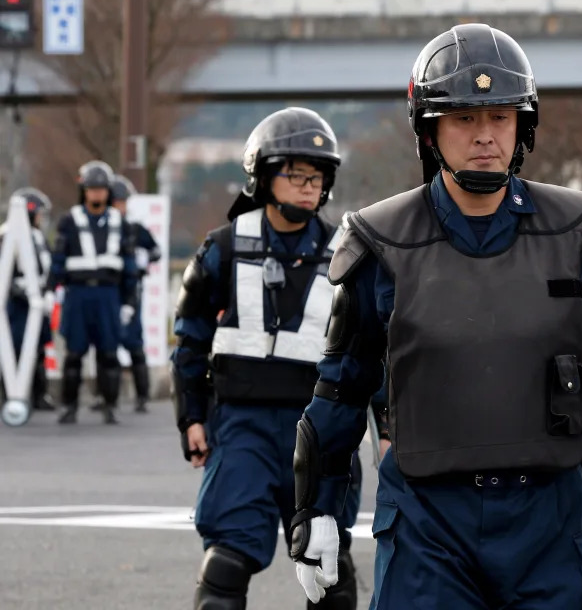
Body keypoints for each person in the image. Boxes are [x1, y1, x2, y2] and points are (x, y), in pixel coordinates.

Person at [289, 23, 582, 609]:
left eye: (499, 116)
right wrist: (316, 510)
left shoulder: (576, 235)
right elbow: (340, 393)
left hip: (547, 519)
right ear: (430, 129)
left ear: (523, 125)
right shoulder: (382, 244)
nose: (485, 135)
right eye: (464, 118)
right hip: (425, 525)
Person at [170, 107, 359, 610]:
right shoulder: (223, 248)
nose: (308, 186)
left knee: (329, 568)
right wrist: (190, 414)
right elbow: (189, 339)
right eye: (295, 174)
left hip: (321, 426)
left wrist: (386, 421)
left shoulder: (348, 252)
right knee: (226, 562)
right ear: (263, 175)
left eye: (317, 177)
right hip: (242, 426)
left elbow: (371, 346)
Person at [48, 161, 138, 425]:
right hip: (77, 294)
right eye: (92, 189)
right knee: (74, 354)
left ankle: (110, 406)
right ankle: (69, 406)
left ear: (108, 191)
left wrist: (129, 301)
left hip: (108, 296)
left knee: (109, 354)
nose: (96, 194)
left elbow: (129, 266)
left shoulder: (119, 223)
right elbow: (58, 259)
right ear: (84, 191)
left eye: (101, 189)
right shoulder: (69, 221)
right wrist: (51, 289)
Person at [0, 187, 56, 411]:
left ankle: (38, 394)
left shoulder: (38, 236)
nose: (41, 219)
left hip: (37, 302)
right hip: (17, 305)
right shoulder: (6, 235)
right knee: (12, 349)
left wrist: (48, 291)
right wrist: (20, 290)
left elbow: (47, 267)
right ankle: (12, 395)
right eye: (39, 213)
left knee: (38, 348)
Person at [109, 174, 160, 412]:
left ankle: (142, 396)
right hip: (108, 290)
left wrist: (146, 257)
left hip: (130, 290)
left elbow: (156, 249)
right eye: (118, 201)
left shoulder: (134, 229)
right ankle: (107, 396)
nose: (122, 206)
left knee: (134, 343)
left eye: (123, 202)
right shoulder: (102, 229)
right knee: (106, 346)